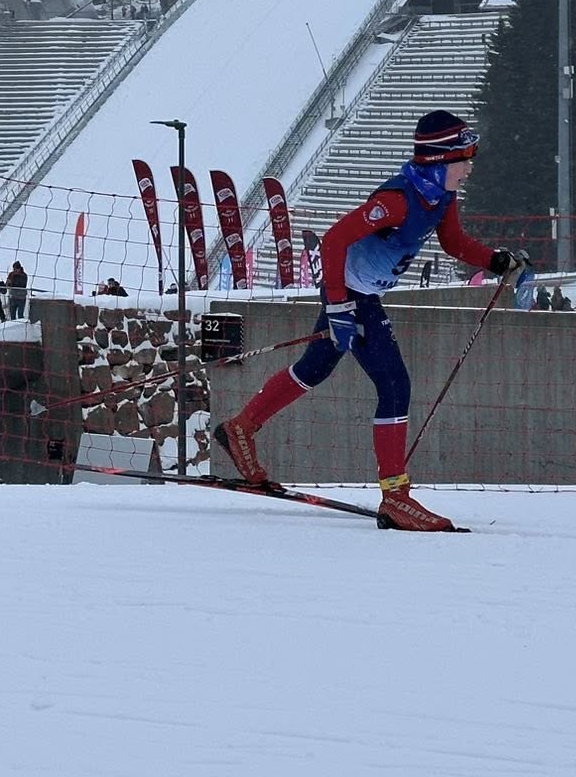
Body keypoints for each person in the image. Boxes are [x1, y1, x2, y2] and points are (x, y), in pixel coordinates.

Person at [213, 110, 525, 532]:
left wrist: (493, 260)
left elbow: (453, 242)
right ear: (439, 161)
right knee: (395, 385)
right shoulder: (395, 201)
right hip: (353, 295)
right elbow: (334, 240)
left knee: (315, 368)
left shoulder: (441, 198)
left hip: (359, 293)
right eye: (463, 159)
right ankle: (396, 497)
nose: (469, 167)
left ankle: (240, 430)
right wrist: (340, 306)